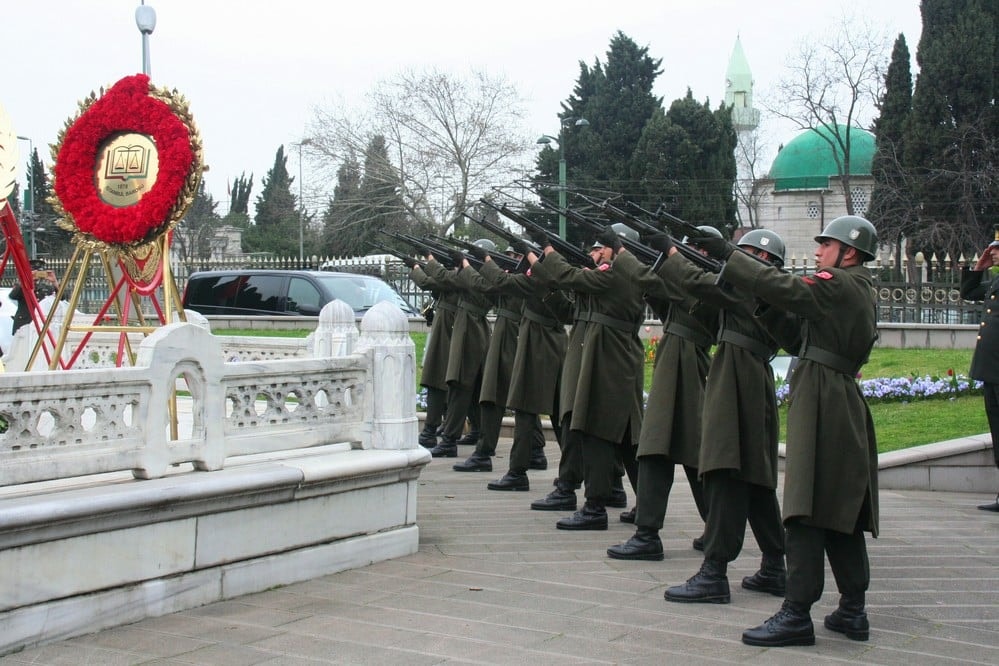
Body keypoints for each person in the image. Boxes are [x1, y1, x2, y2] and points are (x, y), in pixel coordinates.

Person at [699, 215, 880, 647]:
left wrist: (730, 254)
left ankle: (797, 612)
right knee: (839, 505)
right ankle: (852, 609)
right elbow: (798, 339)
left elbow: (790, 290)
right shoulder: (853, 290)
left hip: (826, 399)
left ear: (848, 252)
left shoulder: (840, 283)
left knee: (804, 505)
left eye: (826, 245)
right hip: (836, 397)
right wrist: (764, 303)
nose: (818, 252)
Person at [661, 228, 787, 606]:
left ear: (766, 264)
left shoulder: (766, 288)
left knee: (725, 472)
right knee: (755, 477)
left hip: (742, 380)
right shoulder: (744, 288)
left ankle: (714, 570)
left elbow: (702, 287)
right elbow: (704, 301)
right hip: (738, 375)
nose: (735, 260)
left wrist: (672, 254)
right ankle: (775, 564)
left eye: (747, 255)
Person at [526, 224, 663, 530]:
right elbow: (571, 295)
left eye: (602, 246)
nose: (594, 252)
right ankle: (643, 503)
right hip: (609, 356)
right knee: (626, 439)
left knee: (599, 432)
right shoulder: (615, 272)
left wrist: (547, 250)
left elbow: (568, 276)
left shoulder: (619, 273)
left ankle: (595, 507)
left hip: (610, 359)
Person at [606, 228, 719, 561]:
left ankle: (714, 526)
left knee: (694, 454)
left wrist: (624, 253)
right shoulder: (692, 279)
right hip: (674, 362)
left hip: (689, 365)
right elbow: (655, 290)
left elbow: (660, 286)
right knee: (655, 449)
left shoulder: (711, 283)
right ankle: (647, 532)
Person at [476, 245, 573, 490]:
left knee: (526, 408)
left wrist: (485, 259)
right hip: (548, 342)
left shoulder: (539, 278)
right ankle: (570, 472)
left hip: (538, 345)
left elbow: (500, 280)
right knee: (555, 414)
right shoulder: (554, 276)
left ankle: (520, 472)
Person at [452, 242, 523, 473]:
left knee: (504, 396)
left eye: (515, 255)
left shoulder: (523, 279)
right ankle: (531, 450)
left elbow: (487, 286)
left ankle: (486, 453)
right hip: (508, 334)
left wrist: (468, 265)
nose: (509, 259)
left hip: (513, 336)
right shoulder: (514, 278)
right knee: (505, 397)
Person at [421, 249, 493, 458]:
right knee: (466, 388)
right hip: (468, 329)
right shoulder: (473, 277)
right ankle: (474, 434)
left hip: (468, 332)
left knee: (460, 387)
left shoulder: (476, 278)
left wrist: (427, 260)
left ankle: (450, 440)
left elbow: (440, 279)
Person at [960, 231, 999, 512]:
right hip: (992, 370)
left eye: (997, 249)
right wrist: (977, 269)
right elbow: (969, 293)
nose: (992, 252)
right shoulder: (996, 280)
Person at [10, 258, 58, 335]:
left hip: (41, 324)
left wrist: (54, 282)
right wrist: (27, 279)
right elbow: (13, 296)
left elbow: (62, 298)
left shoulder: (47, 287)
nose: (36, 275)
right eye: (34, 272)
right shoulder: (21, 285)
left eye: (39, 272)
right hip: (24, 324)